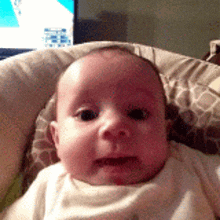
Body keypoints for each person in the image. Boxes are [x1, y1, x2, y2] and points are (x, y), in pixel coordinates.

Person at [1, 46, 220, 219]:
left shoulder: (188, 166)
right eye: (87, 115)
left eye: (137, 113)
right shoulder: (50, 185)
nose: (114, 126)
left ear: (165, 132)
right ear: (57, 139)